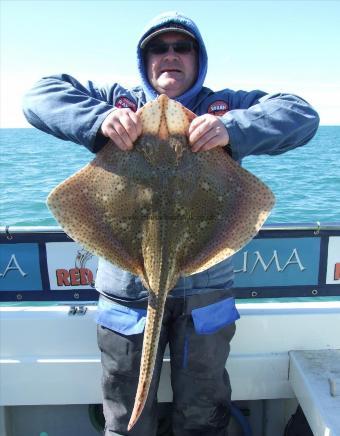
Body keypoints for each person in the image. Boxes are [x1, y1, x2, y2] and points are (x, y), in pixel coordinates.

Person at [23, 11, 319, 436]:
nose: (170, 56)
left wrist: (232, 129)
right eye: (158, 48)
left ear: (198, 60)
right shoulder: (117, 102)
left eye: (182, 48)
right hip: (127, 293)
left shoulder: (224, 106)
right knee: (127, 419)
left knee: (203, 415)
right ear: (144, 61)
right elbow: (40, 94)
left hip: (206, 292)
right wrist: (99, 122)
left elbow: (301, 114)